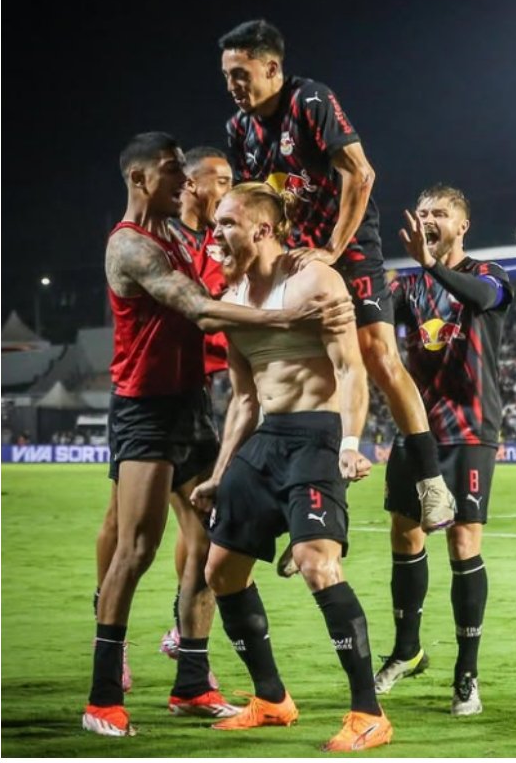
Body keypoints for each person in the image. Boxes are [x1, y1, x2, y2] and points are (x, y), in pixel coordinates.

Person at [83, 132, 354, 738]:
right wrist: (287, 315)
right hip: (144, 412)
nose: (183, 181)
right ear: (138, 178)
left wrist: (306, 257)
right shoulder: (130, 246)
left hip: (194, 407)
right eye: (171, 171)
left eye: (186, 172)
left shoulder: (180, 235)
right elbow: (201, 309)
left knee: (210, 543)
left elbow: (236, 267)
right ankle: (103, 693)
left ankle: (193, 684)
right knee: (137, 547)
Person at [219, 19, 456, 537]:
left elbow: (361, 174)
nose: (233, 85)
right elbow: (254, 202)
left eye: (241, 73)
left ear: (272, 68)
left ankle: (432, 483)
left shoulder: (310, 101)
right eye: (227, 76)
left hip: (347, 249)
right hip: (297, 259)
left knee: (376, 354)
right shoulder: (239, 131)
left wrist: (332, 247)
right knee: (313, 372)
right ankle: (316, 508)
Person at [193, 182, 392, 751]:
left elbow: (351, 370)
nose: (217, 235)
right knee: (221, 572)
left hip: (316, 436)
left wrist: (351, 442)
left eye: (227, 223)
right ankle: (272, 698)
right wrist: (220, 471)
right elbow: (244, 398)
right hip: (264, 440)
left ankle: (368, 714)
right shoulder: (232, 297)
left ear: (261, 228)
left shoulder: (316, 281)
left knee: (316, 564)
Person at [374, 185, 512, 716]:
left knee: (462, 541)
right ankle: (407, 650)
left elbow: (479, 302)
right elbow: (371, 312)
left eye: (441, 213)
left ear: (462, 226)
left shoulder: (489, 275)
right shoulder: (407, 286)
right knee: (405, 534)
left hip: (471, 429)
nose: (429, 218)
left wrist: (430, 264)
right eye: (424, 212)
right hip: (418, 430)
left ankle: (466, 673)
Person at [157, 145, 234, 664]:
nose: (229, 189)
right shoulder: (158, 239)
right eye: (221, 180)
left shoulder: (219, 240)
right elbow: (201, 312)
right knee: (127, 534)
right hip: (153, 395)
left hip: (205, 391)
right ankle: (110, 643)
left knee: (201, 522)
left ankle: (184, 640)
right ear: (191, 182)